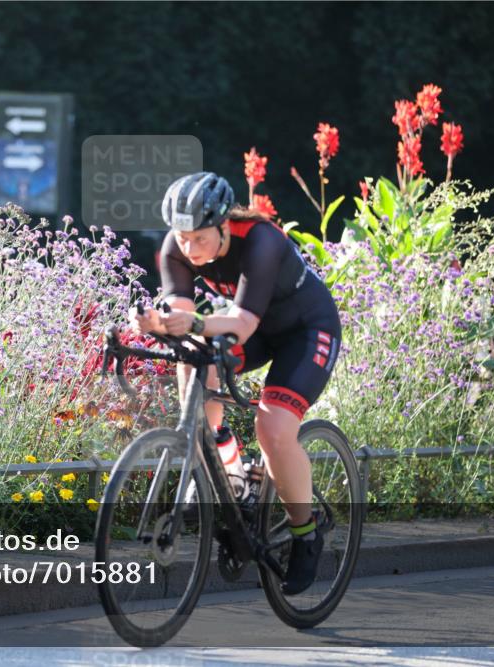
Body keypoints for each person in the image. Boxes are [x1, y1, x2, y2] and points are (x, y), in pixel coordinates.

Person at [129, 171, 342, 595]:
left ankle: (306, 533)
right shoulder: (177, 246)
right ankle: (231, 476)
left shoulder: (262, 240)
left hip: (306, 330)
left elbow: (242, 323)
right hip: (257, 328)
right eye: (182, 237)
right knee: (193, 360)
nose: (189, 248)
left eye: (200, 238)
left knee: (273, 428)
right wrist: (156, 323)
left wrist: (196, 322)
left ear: (224, 225)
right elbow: (183, 313)